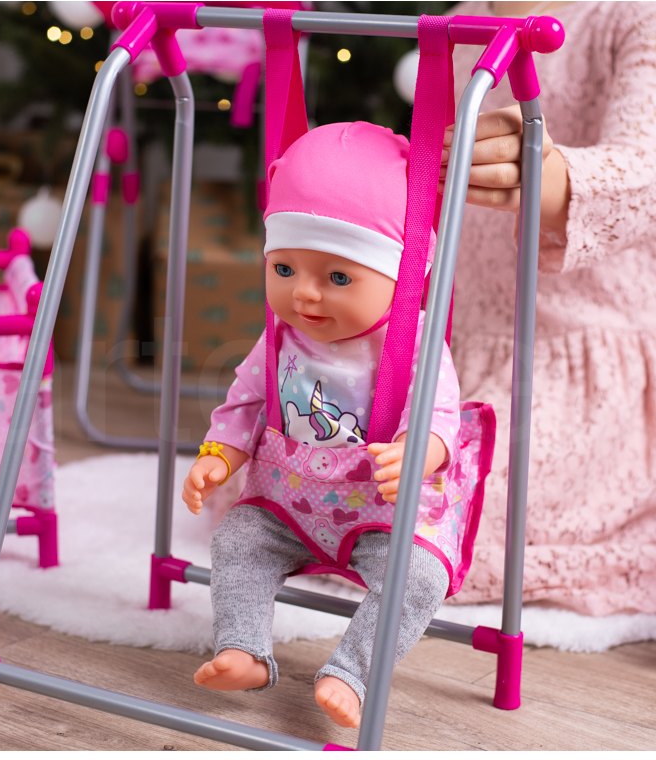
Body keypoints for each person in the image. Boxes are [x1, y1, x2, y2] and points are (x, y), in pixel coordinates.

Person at [440, 1, 656, 615]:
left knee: (445, 517)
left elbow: (655, 171)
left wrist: (546, 170)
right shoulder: (464, 18)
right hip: (462, 348)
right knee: (336, 476)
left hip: (601, 362)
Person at [181, 121, 471, 728]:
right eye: (284, 269)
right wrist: (220, 455)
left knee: (418, 577)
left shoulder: (412, 340)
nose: (305, 296)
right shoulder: (280, 335)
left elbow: (440, 411)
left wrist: (420, 451)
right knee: (238, 541)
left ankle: (352, 672)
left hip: (382, 518)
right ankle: (243, 647)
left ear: (403, 275)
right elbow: (245, 403)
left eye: (338, 277)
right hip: (288, 505)